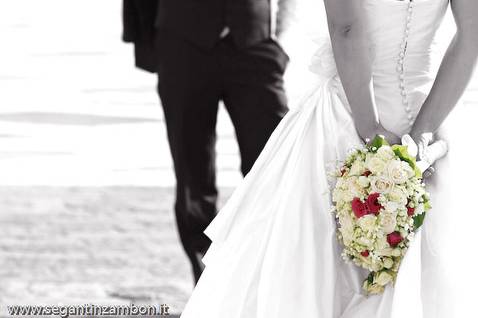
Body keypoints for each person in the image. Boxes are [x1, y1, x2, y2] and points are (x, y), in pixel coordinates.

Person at [180, 0, 478, 317]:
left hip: (350, 114)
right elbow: (472, 34)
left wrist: (369, 128)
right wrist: (423, 133)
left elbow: (347, 29)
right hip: (426, 109)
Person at [122, 0, 294, 283]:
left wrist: (286, 41)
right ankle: (206, 277)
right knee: (192, 171)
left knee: (273, 164)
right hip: (182, 43)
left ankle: (265, 267)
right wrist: (149, 46)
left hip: (255, 41)